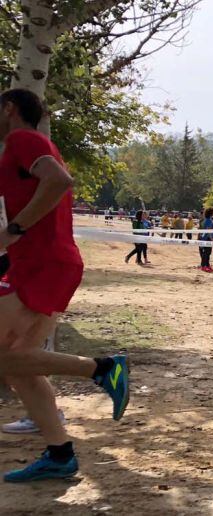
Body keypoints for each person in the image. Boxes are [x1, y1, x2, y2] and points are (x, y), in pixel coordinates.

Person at [0, 88, 129, 482]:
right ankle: (59, 454)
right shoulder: (32, 144)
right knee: (17, 361)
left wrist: (15, 229)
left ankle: (103, 368)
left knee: (7, 355)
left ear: (9, 109)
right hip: (44, 263)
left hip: (44, 263)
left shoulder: (23, 139)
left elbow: (58, 180)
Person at [198, 207, 213, 272]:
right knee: (206, 253)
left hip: (203, 238)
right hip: (207, 239)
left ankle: (207, 265)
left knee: (206, 253)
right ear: (211, 213)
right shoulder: (209, 221)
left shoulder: (205, 220)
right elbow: (208, 231)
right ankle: (203, 266)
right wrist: (212, 239)